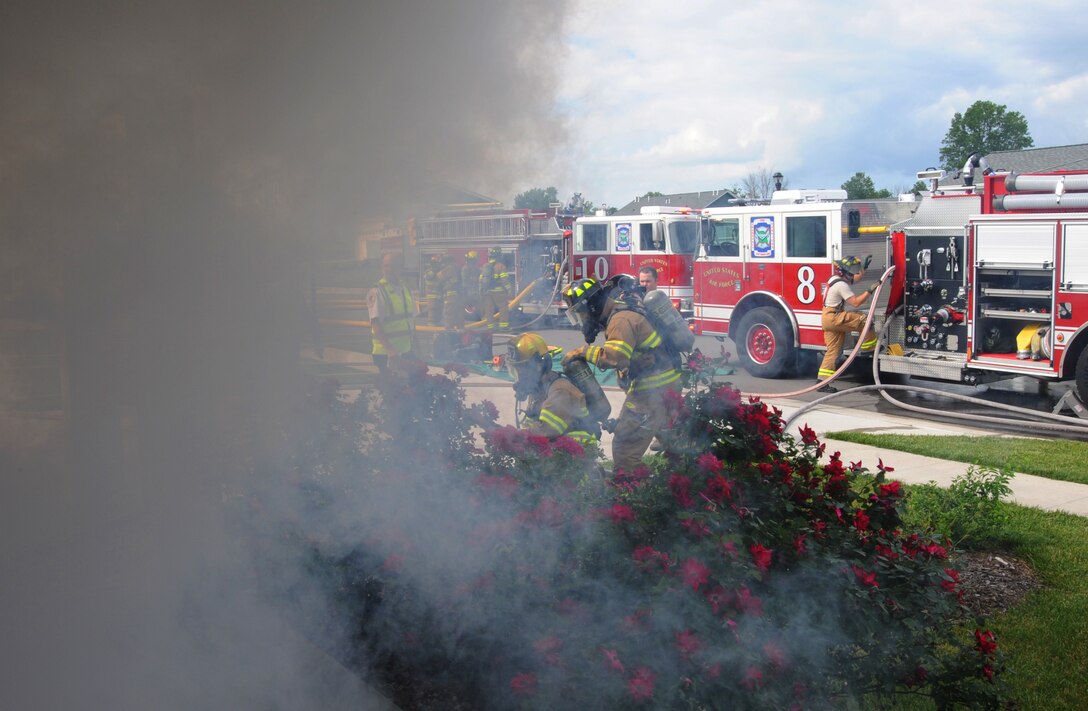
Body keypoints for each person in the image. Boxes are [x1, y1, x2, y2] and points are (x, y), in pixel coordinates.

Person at [561, 277, 681, 473]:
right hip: (665, 385)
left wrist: (582, 352)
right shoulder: (621, 310)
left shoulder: (620, 321)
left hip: (651, 392)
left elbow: (615, 357)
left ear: (590, 305)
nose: (582, 320)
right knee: (674, 445)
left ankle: (636, 494)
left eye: (580, 313)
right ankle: (679, 485)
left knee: (625, 450)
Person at [506, 332, 600, 449]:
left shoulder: (559, 391)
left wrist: (512, 435)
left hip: (576, 454)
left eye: (521, 370)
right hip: (559, 453)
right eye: (515, 371)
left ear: (537, 366)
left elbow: (545, 431)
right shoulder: (539, 388)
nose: (519, 376)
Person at [817, 256, 878, 392]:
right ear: (848, 274)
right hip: (834, 317)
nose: (858, 275)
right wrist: (869, 290)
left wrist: (864, 269)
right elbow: (856, 302)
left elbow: (853, 280)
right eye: (855, 272)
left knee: (833, 352)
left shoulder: (835, 279)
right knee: (864, 319)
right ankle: (869, 348)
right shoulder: (841, 285)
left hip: (827, 317)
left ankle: (822, 382)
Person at [368, 252, 416, 373]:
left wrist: (416, 348)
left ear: (400, 268)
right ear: (381, 268)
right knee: (391, 389)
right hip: (386, 354)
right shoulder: (377, 291)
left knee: (407, 389)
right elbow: (375, 323)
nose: (389, 269)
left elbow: (411, 322)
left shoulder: (406, 289)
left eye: (393, 266)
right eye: (386, 266)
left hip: (405, 351)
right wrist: (390, 350)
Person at [479, 246, 512, 330]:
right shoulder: (501, 266)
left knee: (489, 309)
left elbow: (480, 279)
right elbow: (504, 280)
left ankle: (490, 327)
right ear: (499, 256)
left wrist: (481, 290)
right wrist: (509, 289)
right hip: (499, 292)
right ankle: (503, 326)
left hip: (487, 292)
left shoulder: (485, 266)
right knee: (503, 308)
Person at [436, 254, 464, 330]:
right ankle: (461, 333)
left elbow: (439, 276)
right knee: (459, 316)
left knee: (449, 315)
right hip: (460, 296)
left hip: (451, 296)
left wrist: (438, 268)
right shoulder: (458, 267)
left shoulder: (450, 268)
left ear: (447, 261)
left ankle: (449, 334)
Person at [422, 254, 443, 325]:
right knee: (432, 313)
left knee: (439, 313)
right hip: (431, 296)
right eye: (436, 264)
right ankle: (431, 328)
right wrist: (434, 270)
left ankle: (437, 325)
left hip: (439, 296)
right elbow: (428, 276)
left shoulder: (440, 272)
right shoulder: (428, 271)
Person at [461, 250, 481, 320]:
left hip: (476, 292)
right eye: (474, 260)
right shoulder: (465, 269)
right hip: (469, 292)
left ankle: (477, 319)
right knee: (469, 307)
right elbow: (464, 282)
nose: (475, 262)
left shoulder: (477, 269)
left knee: (477, 307)